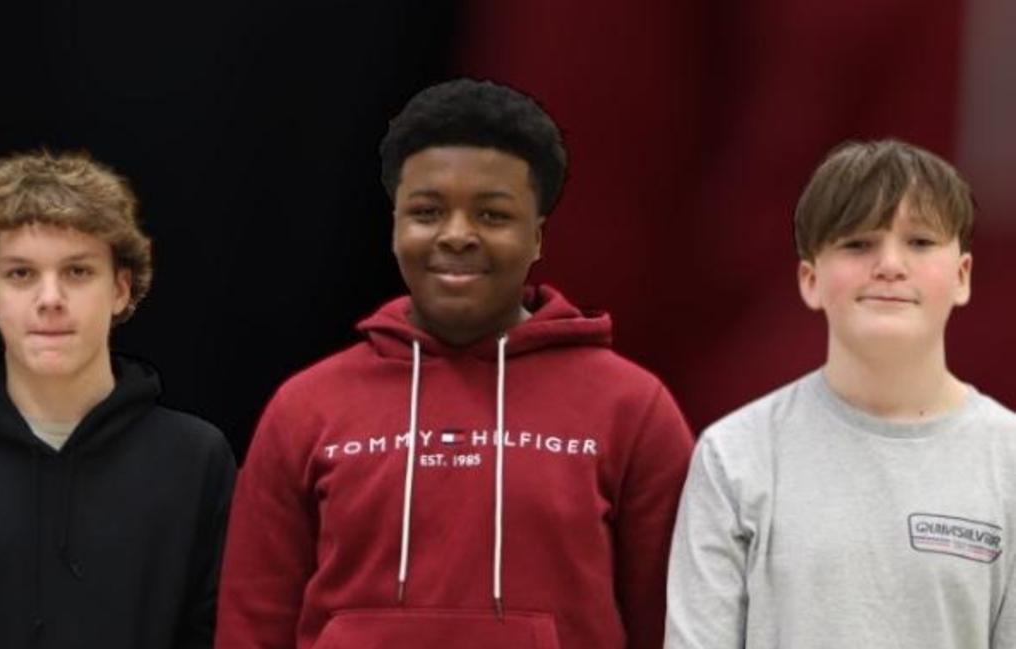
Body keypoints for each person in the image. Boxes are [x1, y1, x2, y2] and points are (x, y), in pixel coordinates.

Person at [216, 79, 694, 649]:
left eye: (492, 216)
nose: (457, 235)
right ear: (394, 227)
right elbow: (252, 624)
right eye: (427, 212)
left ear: (537, 237)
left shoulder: (633, 409)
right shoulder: (306, 407)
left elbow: (678, 624)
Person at [0, 151, 236, 648]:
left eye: (77, 272)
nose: (50, 298)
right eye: (21, 274)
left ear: (120, 288)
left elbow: (226, 632)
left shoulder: (196, 460)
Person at [666, 139, 1016, 648]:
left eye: (919, 241)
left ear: (962, 277)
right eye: (858, 244)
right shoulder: (735, 456)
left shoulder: (1010, 460)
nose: (890, 265)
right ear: (810, 280)